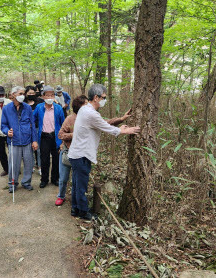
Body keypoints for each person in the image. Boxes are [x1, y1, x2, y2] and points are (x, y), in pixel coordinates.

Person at [68, 84, 140, 220]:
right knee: (81, 185)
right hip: (81, 154)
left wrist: (121, 120)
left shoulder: (85, 110)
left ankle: (75, 208)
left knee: (77, 183)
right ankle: (83, 212)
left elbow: (101, 122)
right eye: (103, 97)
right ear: (96, 98)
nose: (104, 100)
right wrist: (124, 130)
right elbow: (105, 126)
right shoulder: (89, 113)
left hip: (77, 153)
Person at [55, 96, 132, 206]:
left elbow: (105, 123)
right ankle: (61, 196)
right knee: (63, 178)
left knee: (77, 181)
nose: (89, 105)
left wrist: (121, 119)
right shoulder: (70, 119)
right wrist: (75, 134)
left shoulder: (90, 116)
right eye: (85, 104)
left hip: (82, 154)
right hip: (68, 152)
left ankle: (75, 204)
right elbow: (60, 134)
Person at [1, 86, 38, 193]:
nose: (23, 96)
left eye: (23, 94)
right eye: (20, 93)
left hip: (27, 140)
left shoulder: (27, 108)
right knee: (14, 164)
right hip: (14, 141)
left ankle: (26, 182)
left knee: (29, 163)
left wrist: (34, 140)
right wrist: (7, 131)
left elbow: (32, 124)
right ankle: (12, 183)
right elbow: (3, 125)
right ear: (13, 95)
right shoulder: (6, 109)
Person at [33, 85, 65, 188]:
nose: (50, 97)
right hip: (44, 137)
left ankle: (55, 178)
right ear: (43, 96)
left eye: (52, 95)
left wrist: (63, 140)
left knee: (56, 159)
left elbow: (63, 124)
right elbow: (32, 121)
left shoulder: (58, 108)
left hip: (56, 137)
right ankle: (44, 179)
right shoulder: (39, 107)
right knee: (44, 159)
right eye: (47, 95)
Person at [25, 85, 44, 175]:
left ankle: (40, 166)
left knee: (39, 148)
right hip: (27, 129)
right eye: (29, 93)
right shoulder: (23, 103)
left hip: (38, 127)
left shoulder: (39, 102)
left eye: (33, 93)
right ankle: (31, 166)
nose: (31, 95)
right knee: (30, 149)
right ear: (26, 94)